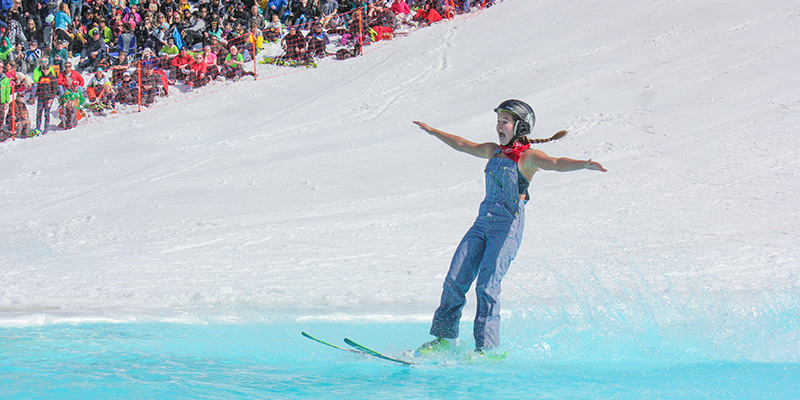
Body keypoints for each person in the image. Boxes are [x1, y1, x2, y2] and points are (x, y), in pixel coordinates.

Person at [412, 99, 607, 354]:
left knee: (486, 286)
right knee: (454, 279)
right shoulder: (493, 150)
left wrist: (583, 164)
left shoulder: (529, 157)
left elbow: (557, 163)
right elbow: (462, 145)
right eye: (497, 121)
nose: (498, 126)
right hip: (482, 223)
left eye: (504, 121)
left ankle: (487, 350)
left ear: (520, 127)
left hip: (507, 226)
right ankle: (444, 341)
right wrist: (433, 131)